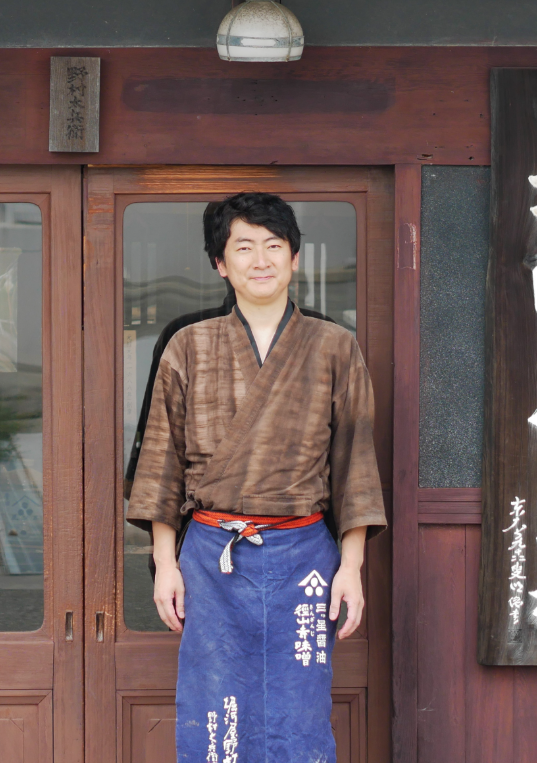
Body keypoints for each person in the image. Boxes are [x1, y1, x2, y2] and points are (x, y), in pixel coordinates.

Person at [126, 192, 387, 763]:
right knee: (215, 706)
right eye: (243, 246)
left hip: (303, 557)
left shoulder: (335, 347)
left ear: (296, 258)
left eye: (274, 245)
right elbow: (161, 467)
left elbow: (355, 467)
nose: (260, 259)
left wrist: (351, 568)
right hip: (212, 556)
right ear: (221, 263)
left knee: (300, 707)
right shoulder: (187, 347)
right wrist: (166, 564)